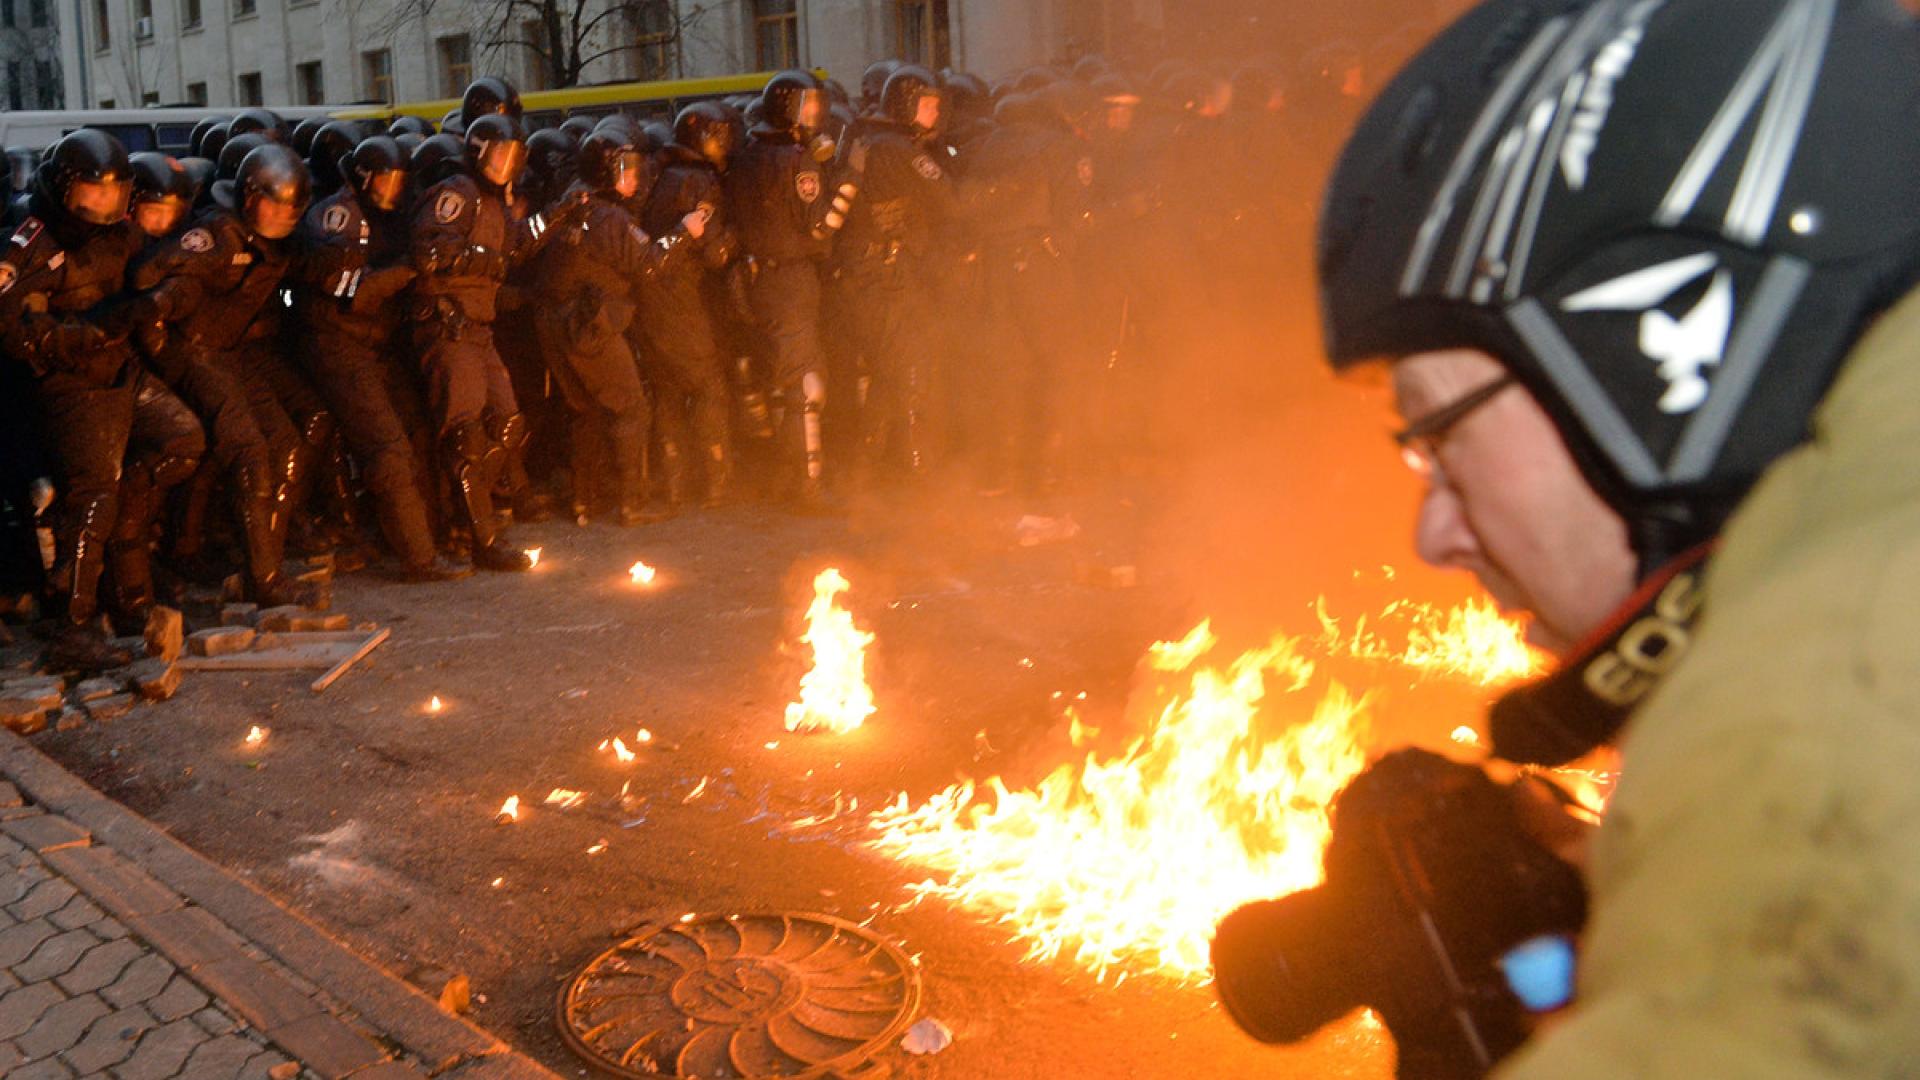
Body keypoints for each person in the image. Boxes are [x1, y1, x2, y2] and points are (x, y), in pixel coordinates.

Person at [1311, 0, 1920, 1074]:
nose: (1433, 533)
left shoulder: (1816, 718)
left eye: (1440, 436)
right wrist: (1618, 888)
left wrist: (1473, 1045)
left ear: (1650, 357)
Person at [0, 131, 205, 668]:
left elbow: (167, 263)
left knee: (183, 440)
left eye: (113, 196)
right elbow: (12, 328)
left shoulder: (120, 233)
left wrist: (163, 295)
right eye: (92, 194)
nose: (103, 207)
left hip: (119, 367)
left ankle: (125, 563)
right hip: (69, 383)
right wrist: (81, 335)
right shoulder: (31, 242)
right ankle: (74, 627)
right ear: (63, 189)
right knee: (93, 497)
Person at [129, 143, 324, 608]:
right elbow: (150, 274)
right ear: (250, 198)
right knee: (248, 451)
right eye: (274, 205)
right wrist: (163, 332)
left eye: (290, 209)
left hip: (230, 352)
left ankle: (266, 557)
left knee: (287, 446)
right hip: (194, 350)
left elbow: (309, 266)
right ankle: (264, 579)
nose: (282, 217)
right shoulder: (220, 234)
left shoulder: (280, 242)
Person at [289, 135, 465, 582]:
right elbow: (352, 291)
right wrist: (410, 266)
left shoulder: (393, 216)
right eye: (386, 180)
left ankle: (431, 535)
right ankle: (417, 556)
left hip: (376, 343)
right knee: (387, 448)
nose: (393, 190)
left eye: (400, 181)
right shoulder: (339, 215)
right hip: (336, 342)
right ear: (364, 178)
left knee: (418, 430)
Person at [408, 114, 576, 571]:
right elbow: (430, 252)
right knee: (463, 434)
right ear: (478, 151)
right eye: (500, 154)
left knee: (507, 424)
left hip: (478, 328)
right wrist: (482, 260)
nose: (507, 164)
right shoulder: (457, 192)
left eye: (514, 156)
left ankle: (465, 516)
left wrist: (557, 214)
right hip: (450, 325)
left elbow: (514, 247)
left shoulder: (494, 202)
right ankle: (479, 537)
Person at [532, 128, 699, 525]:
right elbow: (651, 263)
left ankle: (584, 501)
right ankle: (631, 502)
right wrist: (685, 233)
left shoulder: (574, 205)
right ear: (606, 173)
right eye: (627, 169)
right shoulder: (610, 218)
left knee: (584, 410)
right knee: (632, 408)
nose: (635, 177)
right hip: (589, 327)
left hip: (554, 323)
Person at [725, 70, 853, 507]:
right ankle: (808, 483)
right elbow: (820, 226)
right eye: (807, 105)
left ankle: (782, 476)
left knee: (781, 379)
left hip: (756, 277)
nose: (815, 114)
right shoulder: (799, 160)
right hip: (791, 278)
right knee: (806, 381)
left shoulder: (748, 155)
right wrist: (849, 180)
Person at [635, 101, 742, 511]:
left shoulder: (657, 173)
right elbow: (714, 253)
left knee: (666, 393)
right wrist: (735, 236)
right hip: (682, 297)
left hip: (650, 299)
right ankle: (718, 483)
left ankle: (674, 483)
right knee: (707, 387)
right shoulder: (699, 182)